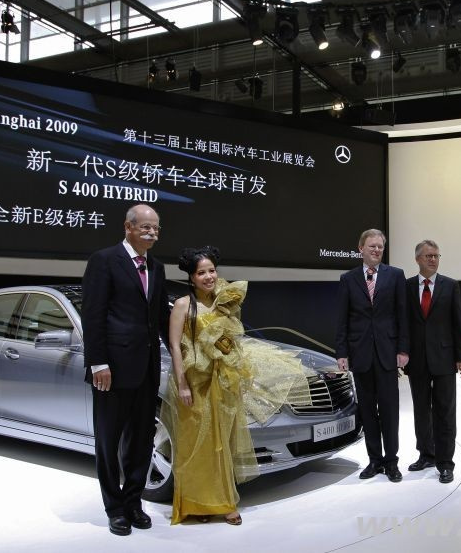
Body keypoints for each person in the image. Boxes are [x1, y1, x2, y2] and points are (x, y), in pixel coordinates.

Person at [162, 247, 308, 526]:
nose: (208, 276)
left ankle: (224, 502)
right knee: (197, 445)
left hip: (223, 381)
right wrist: (182, 384)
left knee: (222, 444)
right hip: (195, 382)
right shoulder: (183, 305)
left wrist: (237, 373)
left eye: (211, 271)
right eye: (201, 272)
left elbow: (233, 342)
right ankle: (198, 504)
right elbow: (175, 346)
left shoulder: (224, 301)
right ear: (191, 277)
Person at [82, 204, 170, 536]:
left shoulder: (157, 267)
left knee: (142, 441)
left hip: (146, 369)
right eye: (146, 227)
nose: (152, 232)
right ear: (128, 227)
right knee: (108, 441)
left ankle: (134, 502)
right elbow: (93, 314)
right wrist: (98, 362)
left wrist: (186, 353)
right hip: (112, 370)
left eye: (156, 228)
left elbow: (161, 318)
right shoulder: (104, 260)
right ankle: (114, 508)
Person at [335, 229, 409, 483]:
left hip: (387, 353)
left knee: (389, 410)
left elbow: (402, 315)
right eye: (372, 246)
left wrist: (403, 349)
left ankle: (392, 461)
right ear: (361, 249)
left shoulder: (396, 275)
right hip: (360, 354)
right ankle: (374, 460)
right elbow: (342, 319)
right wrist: (342, 352)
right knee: (367, 410)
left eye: (380, 246)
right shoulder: (348, 279)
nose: (377, 250)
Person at [405, 241, 461, 484]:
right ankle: (426, 455)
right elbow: (403, 323)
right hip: (417, 360)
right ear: (418, 259)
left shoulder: (450, 285)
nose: (433, 259)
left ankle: (445, 464)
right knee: (421, 411)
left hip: (444, 359)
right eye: (428, 256)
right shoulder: (407, 286)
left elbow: (458, 322)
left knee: (445, 413)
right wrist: (401, 352)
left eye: (436, 256)